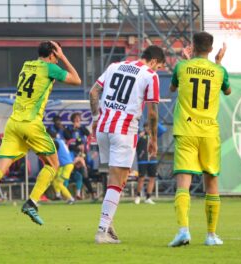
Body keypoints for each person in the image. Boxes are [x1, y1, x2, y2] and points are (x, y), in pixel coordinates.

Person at [0, 40, 81, 234]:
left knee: (0, 167)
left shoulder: (26, 65)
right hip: (31, 124)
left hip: (13, 123)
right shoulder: (50, 68)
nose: (57, 60)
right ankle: (31, 202)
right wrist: (63, 57)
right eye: (56, 56)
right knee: (53, 164)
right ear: (52, 55)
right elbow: (76, 80)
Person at [89, 45, 165, 244]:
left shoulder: (115, 66)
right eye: (159, 67)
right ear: (155, 62)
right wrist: (154, 140)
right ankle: (102, 231)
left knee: (113, 179)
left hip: (103, 128)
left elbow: (93, 93)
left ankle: (108, 224)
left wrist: (96, 118)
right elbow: (153, 112)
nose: (157, 70)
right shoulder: (150, 75)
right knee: (118, 181)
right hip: (124, 130)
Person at [168, 32, 231, 247]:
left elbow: (173, 88)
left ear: (192, 46)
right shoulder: (219, 70)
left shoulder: (181, 67)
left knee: (183, 182)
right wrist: (218, 63)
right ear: (211, 49)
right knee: (211, 182)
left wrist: (186, 61)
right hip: (208, 132)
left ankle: (183, 231)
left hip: (186, 129)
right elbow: (228, 91)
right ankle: (211, 235)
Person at [134, 122, 158, 205]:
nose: (148, 129)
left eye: (150, 127)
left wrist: (154, 121)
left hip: (153, 159)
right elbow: (133, 142)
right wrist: (139, 136)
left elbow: (163, 129)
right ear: (144, 128)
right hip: (142, 159)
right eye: (147, 127)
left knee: (152, 178)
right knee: (141, 178)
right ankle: (137, 196)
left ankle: (148, 197)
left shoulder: (154, 136)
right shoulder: (140, 136)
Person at [49, 131, 75, 204]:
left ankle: (71, 198)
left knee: (59, 183)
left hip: (66, 165)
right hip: (64, 165)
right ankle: (58, 195)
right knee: (54, 179)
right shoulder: (60, 141)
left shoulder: (55, 143)